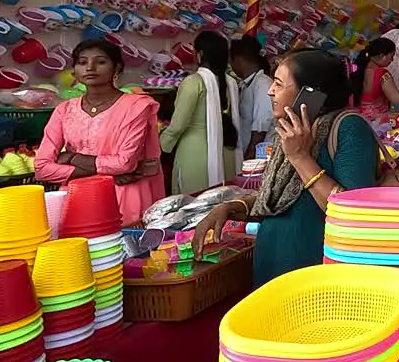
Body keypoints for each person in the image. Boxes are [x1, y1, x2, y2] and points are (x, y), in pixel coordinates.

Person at [192, 49, 380, 286]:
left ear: (309, 94)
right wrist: (230, 207)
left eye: (279, 84)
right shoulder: (292, 132)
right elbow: (278, 201)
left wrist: (300, 157)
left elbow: (354, 212)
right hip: (274, 275)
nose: (271, 91)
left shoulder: (348, 128)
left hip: (318, 282)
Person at [34, 40, 165, 224]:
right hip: (77, 197)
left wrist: (72, 157)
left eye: (101, 62)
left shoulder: (137, 107)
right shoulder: (64, 110)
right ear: (74, 71)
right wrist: (108, 173)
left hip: (123, 195)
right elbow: (41, 169)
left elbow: (124, 164)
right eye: (82, 62)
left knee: (126, 249)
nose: (90, 67)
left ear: (116, 68)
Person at [160, 31, 242, 193]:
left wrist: (161, 146)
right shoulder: (231, 82)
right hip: (227, 152)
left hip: (196, 155)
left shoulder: (193, 82)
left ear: (200, 54)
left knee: (194, 206)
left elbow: (177, 126)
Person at [352, 38, 399, 113]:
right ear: (382, 56)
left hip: (360, 117)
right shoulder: (382, 74)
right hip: (377, 120)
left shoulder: (360, 69)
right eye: (391, 56)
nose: (392, 60)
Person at [230, 36, 273, 161]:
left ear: (237, 60)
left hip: (258, 157)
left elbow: (261, 128)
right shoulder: (246, 84)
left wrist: (249, 158)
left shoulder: (263, 84)